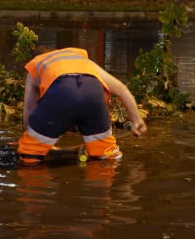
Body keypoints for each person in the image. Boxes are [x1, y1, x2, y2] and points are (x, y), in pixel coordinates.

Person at [17, 47, 147, 166]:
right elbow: (122, 90)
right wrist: (136, 120)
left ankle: (33, 183)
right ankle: (109, 180)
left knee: (29, 157)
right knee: (106, 155)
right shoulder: (82, 61)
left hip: (61, 93)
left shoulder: (37, 64)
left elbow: (29, 108)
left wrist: (33, 135)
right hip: (93, 93)